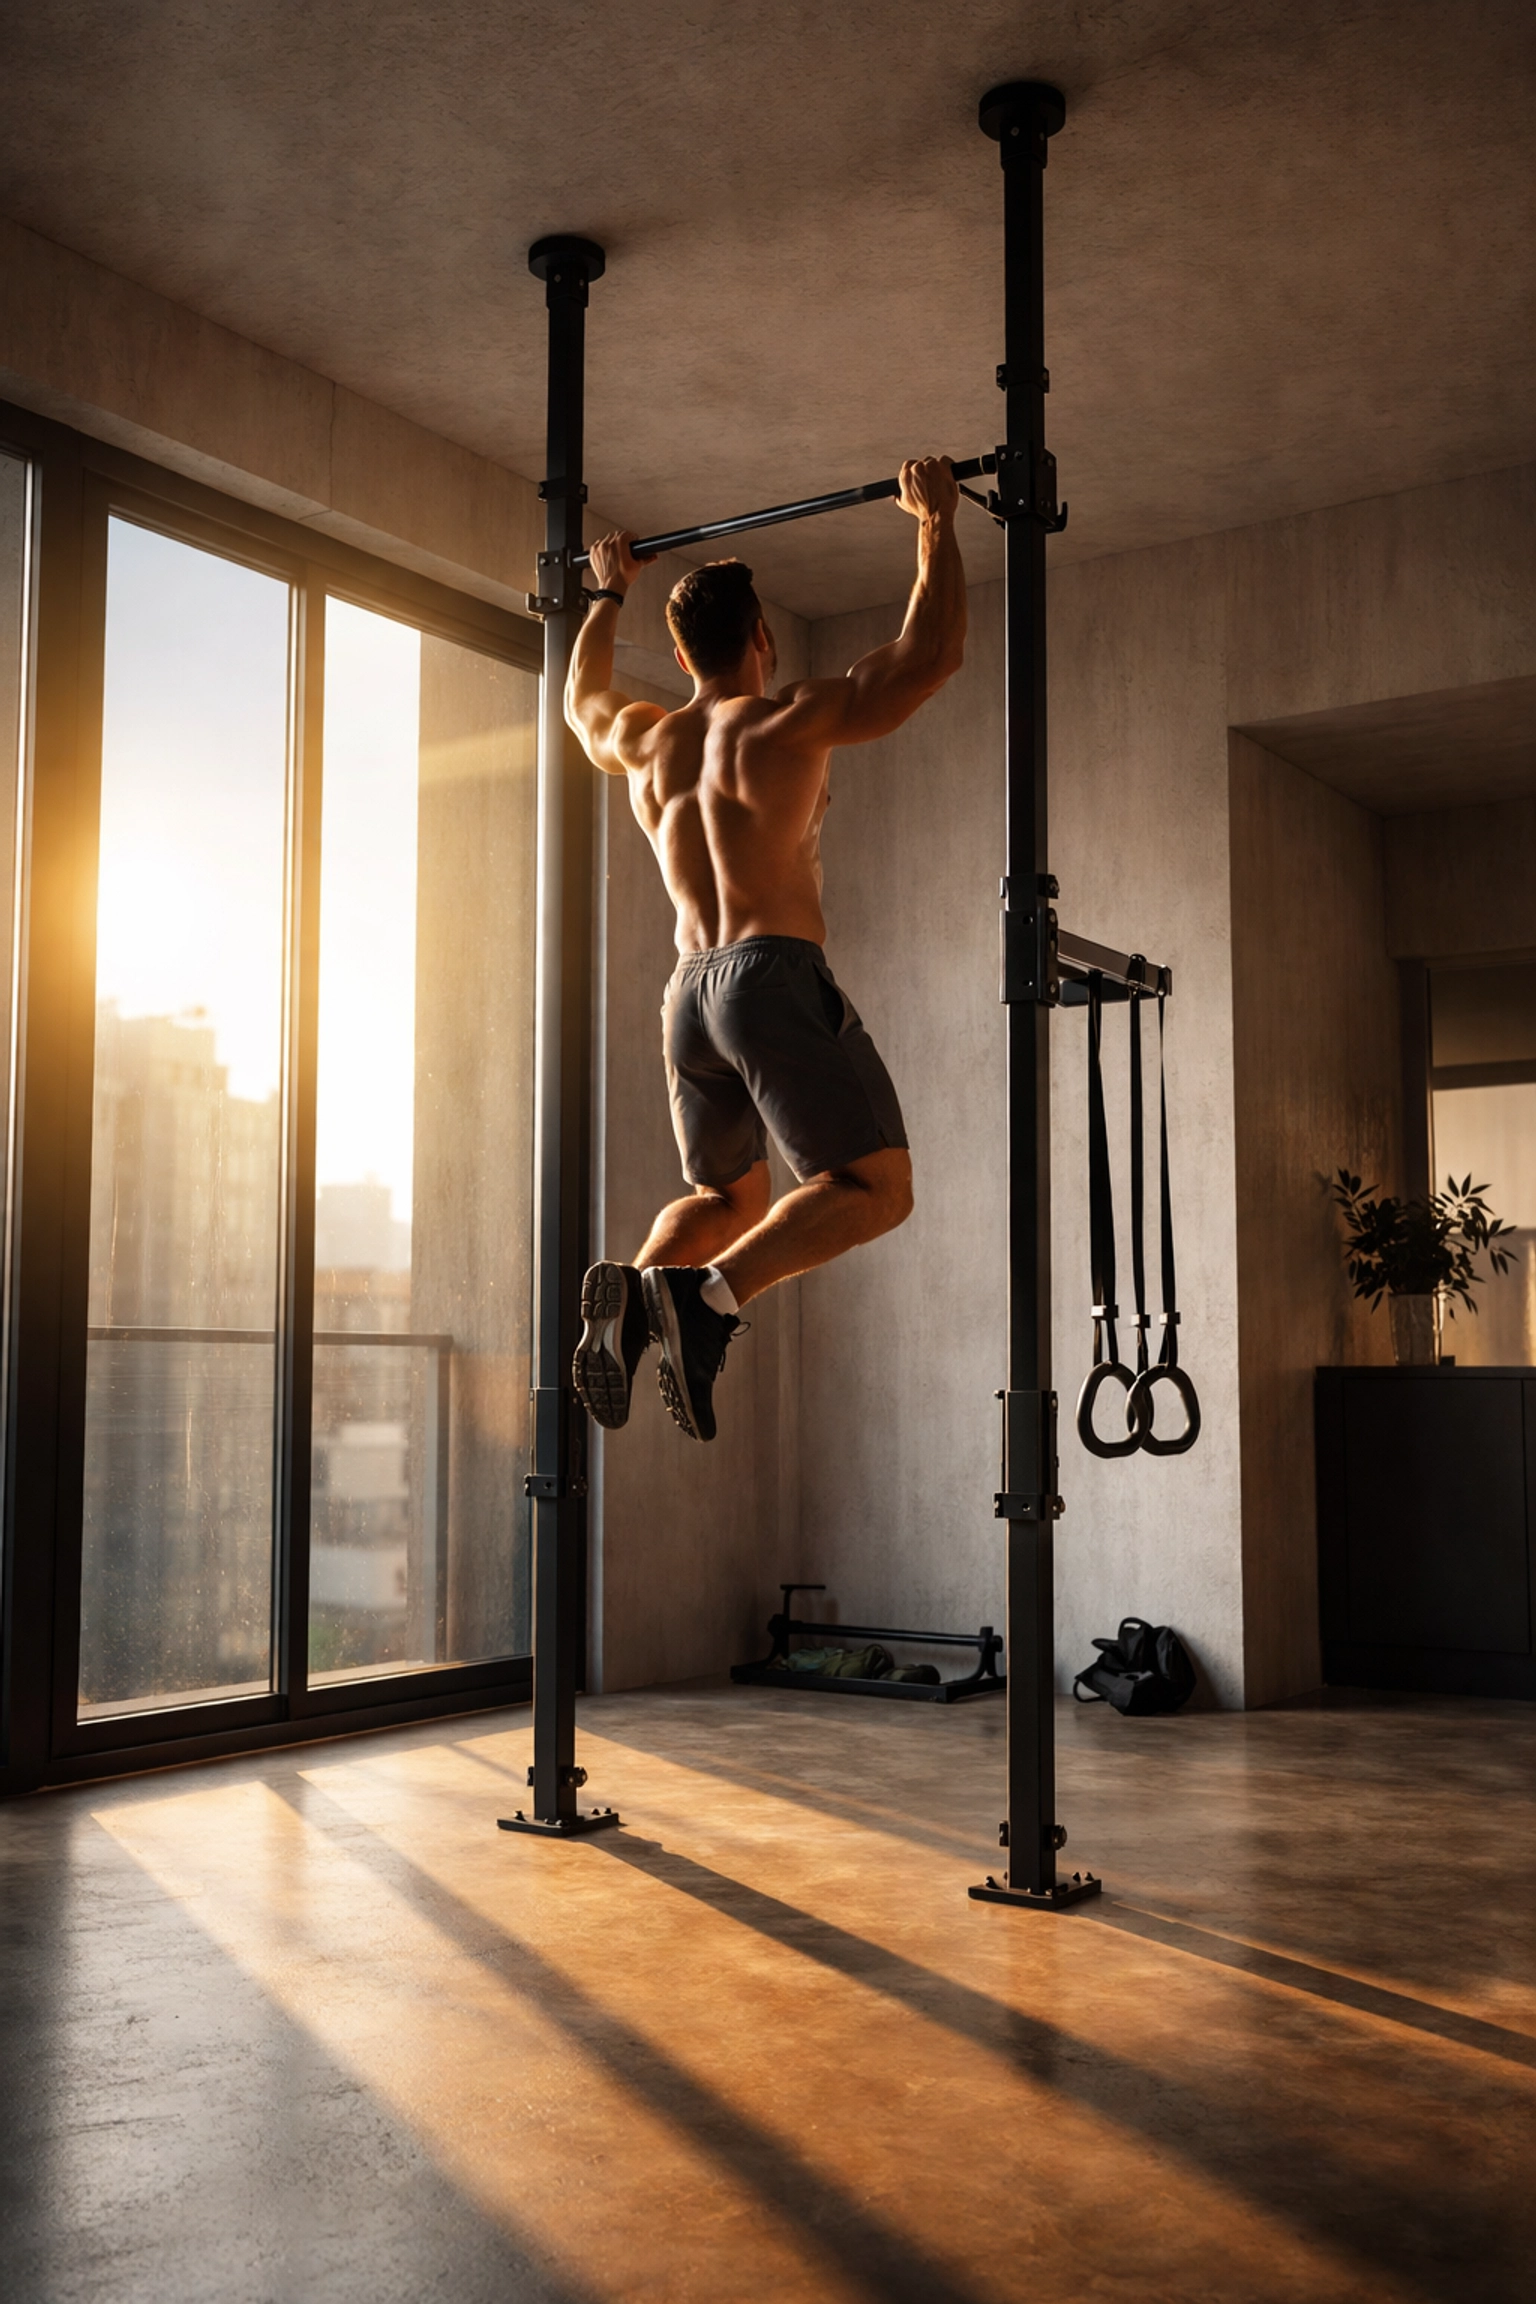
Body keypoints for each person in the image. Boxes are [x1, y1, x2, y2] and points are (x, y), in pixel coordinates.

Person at [565, 455, 966, 1441]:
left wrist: (605, 596)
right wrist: (936, 525)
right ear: (760, 638)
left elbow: (582, 703)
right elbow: (926, 658)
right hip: (769, 975)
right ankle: (708, 1304)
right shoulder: (785, 718)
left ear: (685, 645)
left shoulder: (646, 740)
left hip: (686, 995)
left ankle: (633, 1298)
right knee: (875, 1189)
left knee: (724, 1195)